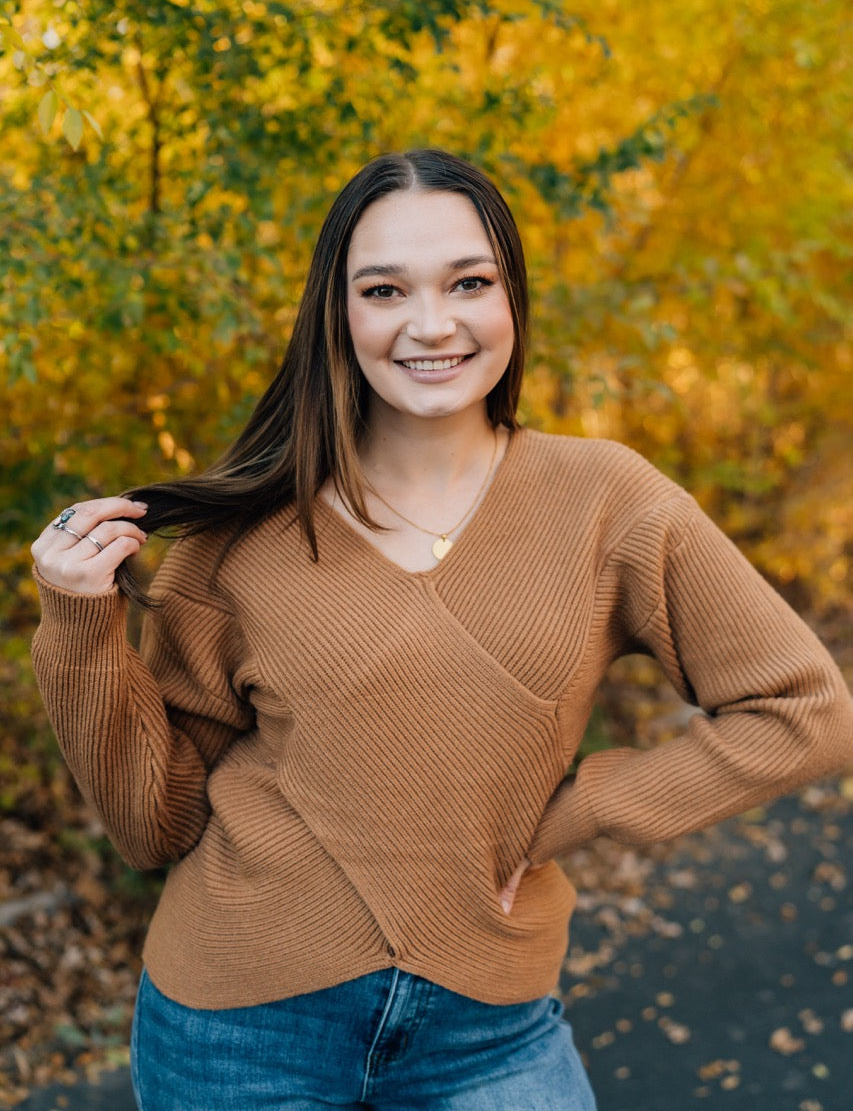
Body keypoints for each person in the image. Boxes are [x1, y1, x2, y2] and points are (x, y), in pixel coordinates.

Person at [30, 149, 853, 1111]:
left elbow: (802, 711)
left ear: (512, 298)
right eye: (384, 290)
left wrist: (577, 813)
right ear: (339, 315)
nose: (432, 324)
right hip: (240, 1029)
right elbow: (154, 825)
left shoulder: (608, 501)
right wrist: (81, 627)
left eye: (469, 281)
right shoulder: (238, 540)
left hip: (490, 1028)